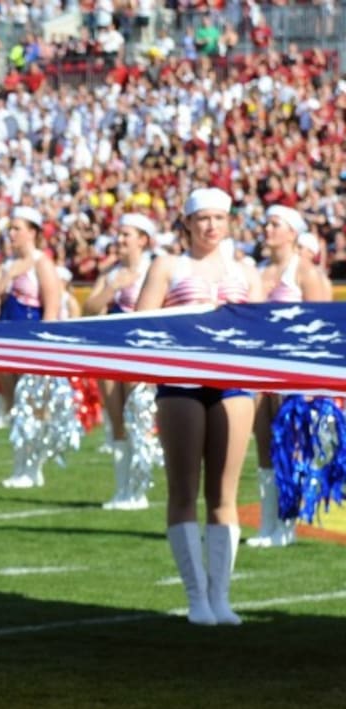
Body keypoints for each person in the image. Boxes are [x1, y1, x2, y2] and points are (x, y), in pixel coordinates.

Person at [136, 187, 262, 626]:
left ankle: (221, 596)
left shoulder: (246, 271)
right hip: (181, 384)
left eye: (219, 218)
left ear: (230, 223)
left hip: (234, 386)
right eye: (202, 218)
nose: (211, 226)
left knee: (225, 496)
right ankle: (196, 599)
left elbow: (262, 333)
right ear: (187, 222)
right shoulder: (168, 266)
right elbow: (140, 325)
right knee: (183, 490)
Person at [246, 204, 332, 549]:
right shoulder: (258, 270)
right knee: (264, 447)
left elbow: (322, 328)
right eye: (266, 224)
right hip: (259, 367)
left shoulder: (305, 273)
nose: (266, 230)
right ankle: (268, 524)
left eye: (274, 224)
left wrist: (313, 383)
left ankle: (287, 524)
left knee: (291, 448)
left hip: (294, 370)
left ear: (292, 233)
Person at [0, 205, 62, 488]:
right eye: (10, 228)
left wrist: (44, 350)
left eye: (17, 228)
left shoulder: (42, 263)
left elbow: (51, 309)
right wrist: (7, 277)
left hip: (32, 342)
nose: (11, 233)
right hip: (7, 342)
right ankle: (20, 465)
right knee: (15, 406)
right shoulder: (6, 265)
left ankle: (33, 466)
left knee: (33, 406)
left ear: (33, 233)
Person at [83, 212, 156, 510]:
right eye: (120, 234)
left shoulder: (154, 269)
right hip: (111, 349)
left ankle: (138, 490)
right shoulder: (110, 273)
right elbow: (88, 308)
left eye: (127, 235)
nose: (121, 240)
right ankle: (121, 488)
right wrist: (113, 288)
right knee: (116, 421)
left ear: (143, 240)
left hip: (142, 352)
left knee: (138, 419)